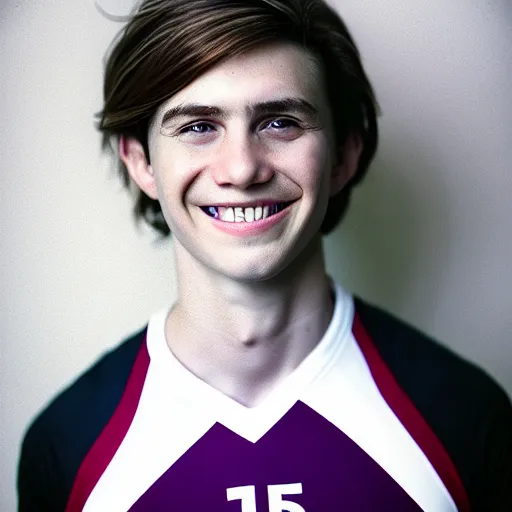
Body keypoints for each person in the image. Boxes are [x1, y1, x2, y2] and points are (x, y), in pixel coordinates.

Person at [17, 0, 512, 510]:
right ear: (141, 160)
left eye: (280, 122)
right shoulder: (67, 447)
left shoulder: (465, 417)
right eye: (197, 127)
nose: (241, 168)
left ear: (344, 154)